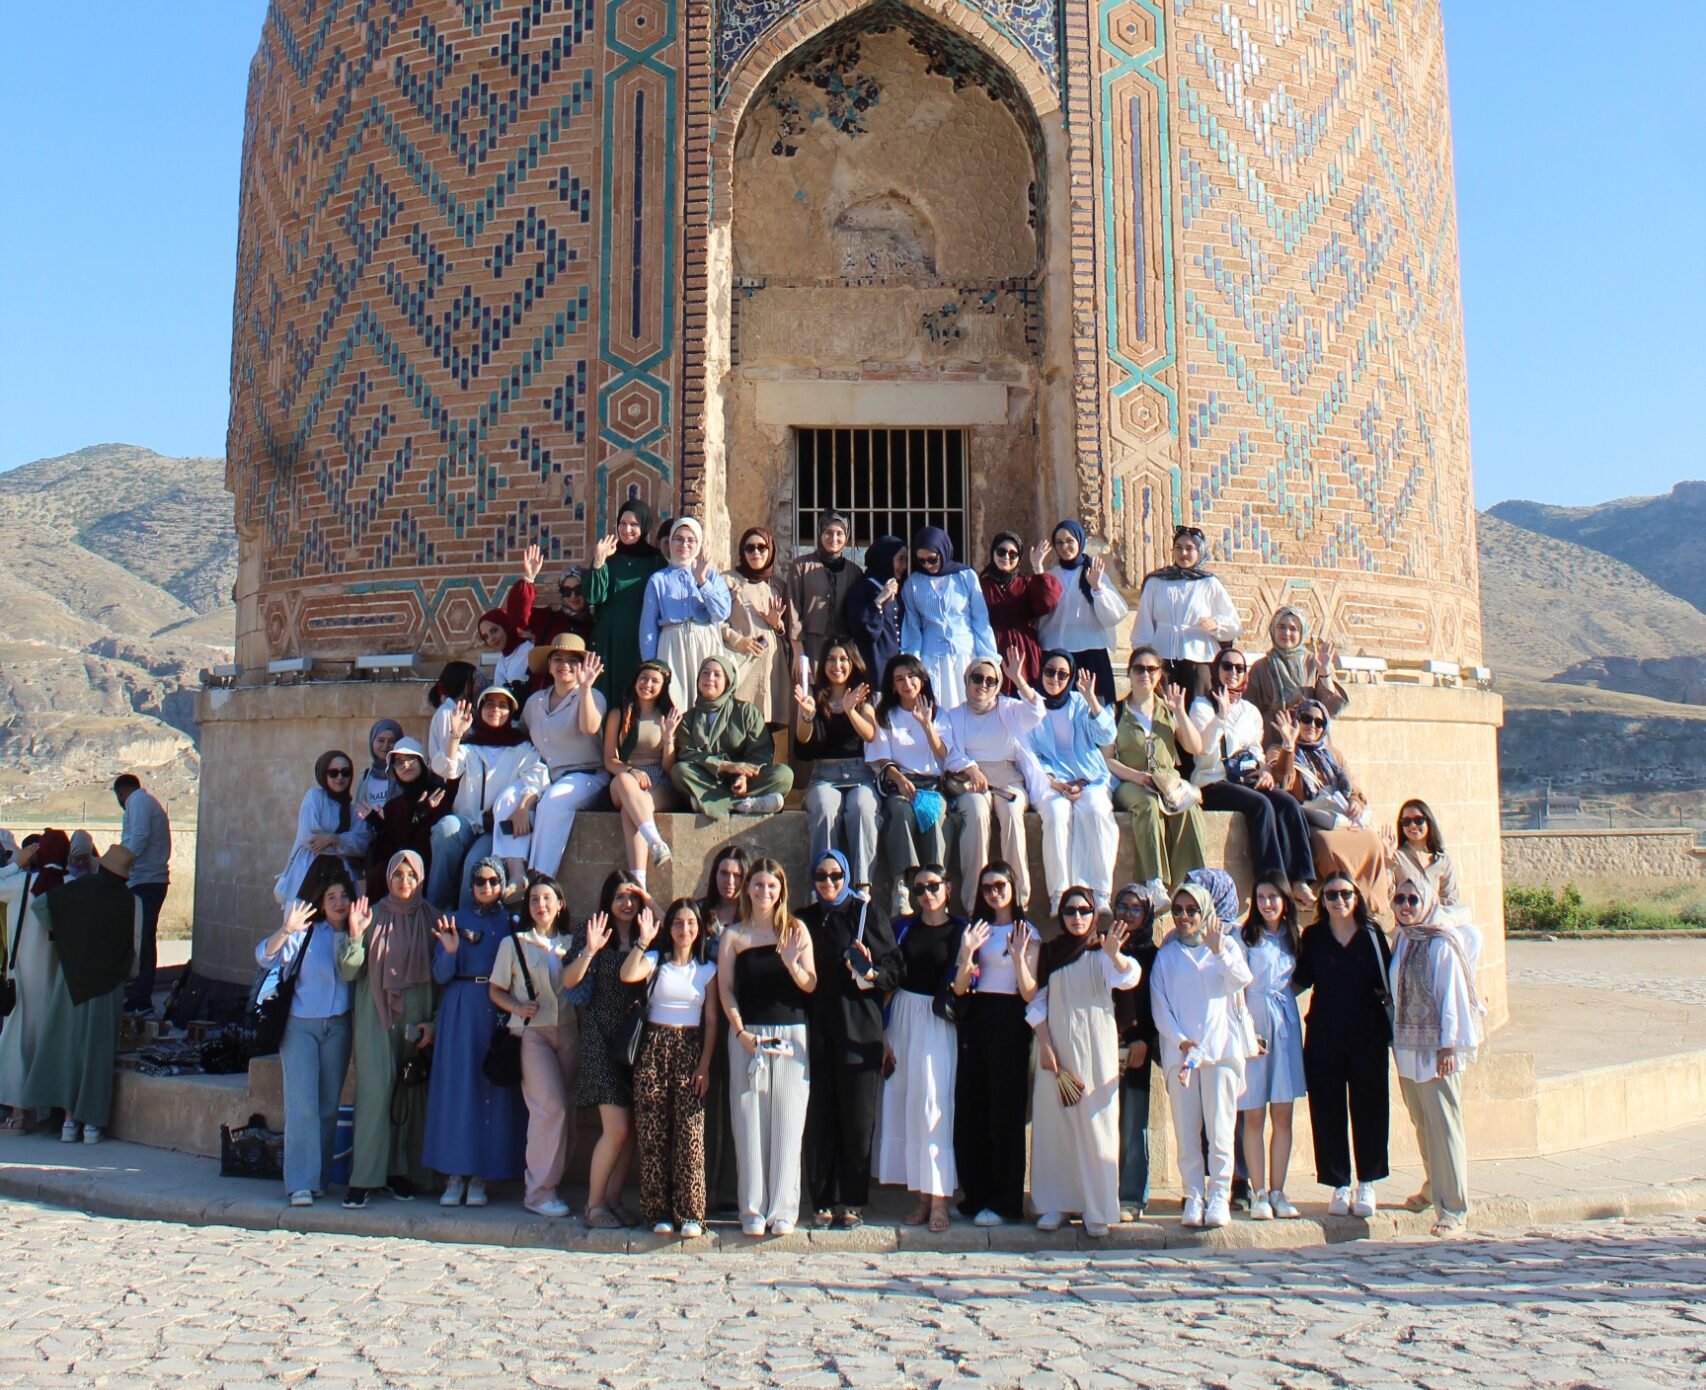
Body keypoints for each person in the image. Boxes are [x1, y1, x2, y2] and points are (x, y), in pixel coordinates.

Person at [1027, 884, 1145, 1237]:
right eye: (1070, 911)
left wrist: (1115, 955)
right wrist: (1045, 1045)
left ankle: (1097, 1208)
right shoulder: (1051, 952)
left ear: (1094, 914)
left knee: (1097, 1128)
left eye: (1084, 911)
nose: (1077, 917)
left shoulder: (1102, 950)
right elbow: (1036, 1002)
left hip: (1096, 1050)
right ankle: (1057, 1203)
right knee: (1055, 1127)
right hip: (1058, 1050)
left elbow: (1129, 977)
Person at [800, 850, 901, 1229]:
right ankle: (822, 1201)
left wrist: (869, 972)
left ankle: (853, 1201)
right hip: (817, 1034)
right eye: (821, 876)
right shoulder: (804, 919)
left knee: (857, 1123)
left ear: (847, 876)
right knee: (820, 1124)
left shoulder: (865, 914)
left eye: (836, 875)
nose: (828, 883)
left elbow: (895, 968)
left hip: (858, 1032)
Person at [717, 858, 817, 1236]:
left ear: (781, 890)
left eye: (771, 886)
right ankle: (753, 1210)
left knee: (787, 1123)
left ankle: (784, 1210)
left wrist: (791, 963)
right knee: (749, 1123)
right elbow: (726, 989)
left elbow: (810, 984)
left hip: (791, 1035)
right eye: (758, 884)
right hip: (748, 1036)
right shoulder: (734, 935)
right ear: (748, 888)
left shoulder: (795, 930)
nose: (764, 892)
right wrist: (739, 1030)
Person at [18, 844, 142, 1144]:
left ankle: (69, 1120)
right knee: (97, 1052)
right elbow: (134, 944)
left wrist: (66, 938)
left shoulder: (79, 888)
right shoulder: (130, 901)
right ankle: (92, 1125)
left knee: (68, 1048)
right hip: (108, 984)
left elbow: (40, 906)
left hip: (72, 978)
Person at [1149, 879, 1254, 1229]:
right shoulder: (1167, 955)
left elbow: (1241, 979)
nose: (1184, 916)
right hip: (1183, 1056)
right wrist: (1182, 1042)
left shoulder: (1223, 946)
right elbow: (1161, 1006)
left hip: (1220, 1052)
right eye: (1178, 910)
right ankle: (1193, 1194)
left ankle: (1219, 1195)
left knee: (1221, 1131)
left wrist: (1219, 950)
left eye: (1192, 910)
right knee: (1187, 1132)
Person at [335, 850, 436, 1208]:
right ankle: (363, 1179)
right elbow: (350, 971)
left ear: (420, 879)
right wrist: (355, 935)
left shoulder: (432, 918)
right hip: (376, 1017)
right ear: (388, 879)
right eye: (397, 875)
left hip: (417, 1016)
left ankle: (400, 1173)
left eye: (411, 876)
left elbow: (442, 976)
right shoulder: (372, 916)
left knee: (410, 1094)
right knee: (376, 1095)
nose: (404, 882)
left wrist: (434, 1023)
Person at [425, 857, 527, 1209]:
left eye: (493, 881)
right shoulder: (455, 920)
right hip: (461, 1008)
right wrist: (450, 952)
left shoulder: (512, 923)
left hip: (498, 1008)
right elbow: (440, 974)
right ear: (471, 886)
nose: (486, 887)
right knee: (459, 1089)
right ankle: (455, 1173)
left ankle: (482, 1174)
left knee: (492, 1089)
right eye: (480, 881)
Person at [255, 858, 357, 1205]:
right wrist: (286, 929)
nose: (339, 903)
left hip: (338, 1027)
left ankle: (319, 1179)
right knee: (303, 1106)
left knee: (328, 1106)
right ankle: (299, 1182)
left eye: (344, 896)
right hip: (300, 1026)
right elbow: (264, 956)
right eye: (331, 897)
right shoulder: (306, 932)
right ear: (321, 901)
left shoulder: (355, 931)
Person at [1292, 871, 1393, 1219]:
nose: (1339, 901)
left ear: (1356, 897)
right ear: (1322, 900)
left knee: (1371, 1107)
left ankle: (1368, 1181)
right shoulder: (1314, 936)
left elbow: (1389, 981)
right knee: (1327, 1108)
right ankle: (1339, 1183)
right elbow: (1299, 979)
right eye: (1332, 894)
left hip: (1367, 1034)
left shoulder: (1371, 934)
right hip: (1325, 1033)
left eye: (1346, 894)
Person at [875, 864, 969, 1233]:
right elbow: (887, 979)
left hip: (937, 1019)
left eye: (933, 886)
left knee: (934, 1104)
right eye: (919, 889)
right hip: (902, 1016)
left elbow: (964, 984)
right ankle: (921, 1198)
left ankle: (940, 1199)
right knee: (908, 1106)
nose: (926, 894)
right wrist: (883, 1033)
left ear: (947, 888)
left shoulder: (961, 931)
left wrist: (968, 955)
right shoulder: (902, 928)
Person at [1390, 873, 1484, 1236]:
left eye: (1413, 899)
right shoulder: (1402, 940)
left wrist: (1449, 1046)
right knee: (1423, 1123)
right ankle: (1433, 1186)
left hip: (1436, 1051)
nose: (1406, 906)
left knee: (1445, 1127)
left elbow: (1452, 998)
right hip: (1408, 1049)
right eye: (1400, 899)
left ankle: (1454, 1207)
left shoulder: (1440, 944)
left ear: (1427, 902)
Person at [621, 897, 720, 1236]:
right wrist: (643, 941)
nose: (684, 929)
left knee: (690, 1132)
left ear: (699, 928)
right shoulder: (655, 961)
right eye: (678, 922)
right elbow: (627, 974)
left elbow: (711, 1020)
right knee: (653, 1131)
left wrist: (704, 1063)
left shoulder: (706, 969)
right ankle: (657, 1211)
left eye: (691, 923)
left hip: (689, 1048)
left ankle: (691, 1212)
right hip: (654, 1047)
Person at [489, 873, 584, 1218]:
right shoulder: (514, 944)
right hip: (532, 1034)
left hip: (568, 1031)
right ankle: (539, 1192)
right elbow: (496, 989)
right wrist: (517, 1007)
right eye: (534, 900)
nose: (540, 905)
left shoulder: (572, 943)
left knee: (567, 1112)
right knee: (550, 1108)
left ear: (559, 904)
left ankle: (553, 1182)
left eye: (547, 898)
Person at [1188, 650, 1318, 903]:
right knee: (1261, 805)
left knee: (1287, 803)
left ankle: (1300, 880)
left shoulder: (1250, 711)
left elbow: (1256, 750)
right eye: (1227, 666)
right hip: (1213, 781)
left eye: (1239, 668)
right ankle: (1272, 882)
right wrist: (1221, 716)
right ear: (1216, 669)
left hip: (1245, 780)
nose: (1233, 673)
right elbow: (1202, 750)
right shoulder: (1202, 706)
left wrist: (1265, 769)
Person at [561, 871, 652, 1227]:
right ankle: (594, 1205)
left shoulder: (648, 933)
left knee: (629, 1132)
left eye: (633, 898)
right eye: (620, 897)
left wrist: (649, 904)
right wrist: (590, 949)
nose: (627, 904)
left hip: (635, 1040)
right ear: (608, 900)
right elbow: (569, 980)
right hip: (600, 1036)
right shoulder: (594, 930)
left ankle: (613, 1201)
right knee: (616, 1129)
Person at [953, 860, 1040, 1226]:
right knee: (974, 1107)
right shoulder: (976, 929)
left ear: (1013, 888)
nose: (994, 893)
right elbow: (960, 987)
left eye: (1000, 886)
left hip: (1011, 1018)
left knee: (1006, 1111)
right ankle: (977, 1195)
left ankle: (1006, 1201)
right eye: (987, 887)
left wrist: (1018, 957)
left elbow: (1030, 991)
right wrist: (967, 952)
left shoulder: (1026, 930)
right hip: (977, 1016)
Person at [940, 652, 1044, 914]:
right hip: (972, 781)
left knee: (1011, 813)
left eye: (990, 680)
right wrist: (971, 768)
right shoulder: (955, 715)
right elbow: (950, 751)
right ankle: (973, 901)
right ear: (967, 680)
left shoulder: (1008, 708)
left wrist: (1018, 679)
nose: (983, 685)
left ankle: (1018, 899)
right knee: (976, 813)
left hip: (1009, 778)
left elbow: (1037, 711)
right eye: (977, 678)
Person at [1270, 700, 1389, 915]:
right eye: (1306, 719)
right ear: (1297, 720)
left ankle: (1368, 904)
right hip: (1311, 819)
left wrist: (1355, 802)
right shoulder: (1279, 750)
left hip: (1341, 817)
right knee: (1327, 844)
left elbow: (1352, 785)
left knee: (1373, 841)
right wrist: (1289, 744)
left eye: (1319, 722)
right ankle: (1341, 898)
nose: (1312, 726)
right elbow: (1283, 781)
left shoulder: (1333, 753)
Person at [1022, 652, 1118, 914]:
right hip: (1051, 781)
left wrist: (1092, 700)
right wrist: (1057, 784)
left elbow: (1106, 735)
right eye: (1050, 671)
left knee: (1096, 810)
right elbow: (1030, 754)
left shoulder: (1080, 702)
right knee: (1056, 814)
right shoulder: (1032, 706)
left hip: (1089, 778)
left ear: (1071, 677)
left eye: (1062, 674)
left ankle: (1099, 892)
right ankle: (1059, 894)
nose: (1055, 678)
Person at [1104, 648, 1208, 885]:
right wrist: (1138, 777)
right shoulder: (1116, 711)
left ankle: (1190, 881)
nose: (1145, 674)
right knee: (1148, 804)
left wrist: (1179, 711)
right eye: (1139, 669)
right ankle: (1154, 880)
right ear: (1129, 673)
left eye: (1151, 669)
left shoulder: (1167, 710)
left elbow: (1195, 747)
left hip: (1167, 782)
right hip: (1131, 782)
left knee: (1189, 809)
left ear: (1159, 674)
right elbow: (1108, 759)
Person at [433, 688, 547, 905]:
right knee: (445, 829)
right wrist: (454, 736)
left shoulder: (522, 747)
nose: (496, 710)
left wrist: (523, 807)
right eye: (490, 704)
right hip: (467, 820)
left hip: (494, 828)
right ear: (480, 709)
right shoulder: (468, 745)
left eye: (502, 705)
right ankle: (435, 907)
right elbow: (445, 769)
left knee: (475, 864)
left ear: (511, 712)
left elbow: (537, 779)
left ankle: (467, 918)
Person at [1236, 878, 1307, 1221]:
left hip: (1285, 1024)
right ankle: (1259, 1191)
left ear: (1284, 900)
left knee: (1283, 1113)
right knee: (1253, 1113)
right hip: (1254, 1023)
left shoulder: (1293, 937)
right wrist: (1247, 1029)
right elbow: (1236, 986)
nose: (1267, 904)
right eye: (1261, 897)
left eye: (1273, 897)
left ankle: (1278, 1190)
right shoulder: (1246, 937)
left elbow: (1299, 978)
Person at [517, 636, 611, 876]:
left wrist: (585, 688)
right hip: (545, 776)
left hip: (586, 776)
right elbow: (520, 735)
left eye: (572, 660)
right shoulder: (534, 702)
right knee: (509, 800)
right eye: (557, 659)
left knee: (553, 802)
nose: (564, 665)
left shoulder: (593, 696)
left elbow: (590, 727)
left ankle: (540, 877)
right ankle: (513, 873)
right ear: (549, 665)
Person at [865, 654, 950, 917]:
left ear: (922, 680)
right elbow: (881, 757)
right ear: (892, 685)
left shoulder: (938, 713)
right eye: (899, 679)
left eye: (911, 677)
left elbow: (943, 754)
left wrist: (926, 725)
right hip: (899, 783)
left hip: (931, 786)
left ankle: (935, 883)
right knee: (899, 812)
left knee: (933, 816)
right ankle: (901, 884)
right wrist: (899, 779)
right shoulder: (885, 715)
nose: (907, 684)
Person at [795, 641, 880, 897]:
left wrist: (850, 710)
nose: (837, 665)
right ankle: (824, 883)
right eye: (831, 659)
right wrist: (807, 715)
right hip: (825, 775)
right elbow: (803, 743)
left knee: (862, 807)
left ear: (852, 663)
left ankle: (863, 886)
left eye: (843, 659)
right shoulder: (814, 696)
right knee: (825, 807)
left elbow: (870, 734)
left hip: (860, 775)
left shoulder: (863, 696)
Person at [0, 832, 69, 1131]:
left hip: (22, 979)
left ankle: (18, 1115)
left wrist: (16, 863)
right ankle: (50, 1113)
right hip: (57, 982)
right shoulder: (69, 885)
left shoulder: (23, 884)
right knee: (49, 1045)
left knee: (18, 1046)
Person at [669, 656, 793, 818]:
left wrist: (743, 776)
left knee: (784, 775)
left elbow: (760, 751)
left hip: (744, 783)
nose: (710, 678)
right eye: (705, 673)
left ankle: (711, 803)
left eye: (717, 675)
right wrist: (725, 766)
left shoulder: (746, 711)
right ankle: (744, 804)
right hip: (708, 780)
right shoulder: (689, 718)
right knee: (680, 771)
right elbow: (688, 754)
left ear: (728, 682)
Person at [1132, 524, 1241, 699]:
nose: (1183, 553)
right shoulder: (1156, 582)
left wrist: (1215, 625)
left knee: (1199, 708)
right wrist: (1143, 656)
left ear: (1200, 551)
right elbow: (1144, 622)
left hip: (1199, 660)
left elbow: (1233, 624)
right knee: (1163, 708)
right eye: (1178, 547)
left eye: (1189, 548)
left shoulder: (1209, 583)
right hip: (1162, 660)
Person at [698, 845, 749, 1214]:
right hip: (701, 1021)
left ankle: (731, 1189)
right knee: (703, 1106)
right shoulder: (701, 915)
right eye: (723, 873)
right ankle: (698, 1185)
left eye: (737, 875)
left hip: (741, 1020)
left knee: (737, 1105)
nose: (729, 881)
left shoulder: (754, 916)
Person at [1110, 881, 1165, 1221]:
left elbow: (1158, 1002)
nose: (1128, 915)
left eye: (1136, 909)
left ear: (1147, 915)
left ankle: (1131, 1196)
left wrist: (1144, 1038)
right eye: (1122, 907)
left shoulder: (1155, 956)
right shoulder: (1102, 948)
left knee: (1133, 1123)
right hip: (1102, 1045)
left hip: (1138, 1048)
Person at [603, 659, 685, 886]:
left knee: (631, 810)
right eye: (644, 678)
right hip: (625, 778)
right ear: (636, 681)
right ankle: (655, 841)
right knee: (624, 781)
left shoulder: (668, 716)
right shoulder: (618, 715)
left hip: (658, 780)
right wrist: (630, 770)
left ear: (663, 686)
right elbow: (609, 760)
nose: (647, 684)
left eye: (654, 681)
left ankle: (639, 881)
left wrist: (668, 740)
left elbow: (669, 768)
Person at [639, 517, 733, 711]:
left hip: (705, 642)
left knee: (708, 697)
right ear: (670, 541)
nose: (684, 545)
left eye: (691, 540)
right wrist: (650, 664)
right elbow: (648, 627)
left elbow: (721, 613)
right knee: (675, 702)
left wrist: (702, 581)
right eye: (679, 539)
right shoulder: (658, 580)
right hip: (672, 645)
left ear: (699, 544)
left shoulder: (711, 575)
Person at [900, 525, 996, 708]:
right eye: (921, 561)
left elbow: (980, 620)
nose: (927, 566)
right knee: (937, 709)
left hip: (965, 655)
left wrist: (988, 659)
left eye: (932, 559)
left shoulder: (966, 576)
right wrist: (912, 663)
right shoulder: (912, 584)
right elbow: (912, 627)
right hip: (931, 659)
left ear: (943, 552)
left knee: (969, 707)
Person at [1036, 520, 1128, 706]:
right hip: (1056, 653)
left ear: (1080, 541)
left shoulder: (1094, 572)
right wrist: (1038, 569)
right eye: (1059, 542)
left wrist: (1097, 588)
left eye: (1070, 541)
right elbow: (1039, 610)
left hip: (1090, 653)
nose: (1065, 547)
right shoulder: (1051, 576)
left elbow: (1115, 615)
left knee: (1094, 707)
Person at [584, 497, 667, 699]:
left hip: (640, 637)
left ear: (644, 526)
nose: (626, 529)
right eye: (622, 523)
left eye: (634, 524)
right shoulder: (609, 557)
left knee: (634, 693)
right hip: (608, 637)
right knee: (604, 694)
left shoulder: (656, 560)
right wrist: (599, 560)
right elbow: (593, 596)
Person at [274, 752, 373, 909]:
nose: (340, 777)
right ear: (323, 774)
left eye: (345, 772)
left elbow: (362, 844)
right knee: (301, 921)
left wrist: (333, 839)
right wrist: (343, 846)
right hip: (307, 877)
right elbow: (310, 839)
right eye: (333, 773)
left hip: (341, 881)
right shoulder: (314, 797)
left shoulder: (353, 810)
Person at [365, 739, 453, 904]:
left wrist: (423, 812)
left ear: (421, 762)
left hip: (432, 875)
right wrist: (379, 823)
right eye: (399, 762)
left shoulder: (438, 795)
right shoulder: (394, 806)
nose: (405, 765)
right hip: (401, 875)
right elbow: (398, 841)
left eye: (410, 759)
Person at [113, 773, 171, 1016]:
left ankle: (142, 999)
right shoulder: (144, 802)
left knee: (144, 939)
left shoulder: (137, 801)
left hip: (147, 880)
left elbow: (139, 837)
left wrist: (117, 863)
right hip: (145, 879)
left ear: (121, 792)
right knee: (141, 938)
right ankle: (138, 994)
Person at [721, 526, 791, 725]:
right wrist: (738, 640)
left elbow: (790, 628)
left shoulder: (778, 585)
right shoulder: (728, 580)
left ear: (771, 550)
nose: (756, 552)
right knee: (740, 721)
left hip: (772, 669)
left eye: (761, 547)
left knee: (768, 725)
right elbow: (714, 621)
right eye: (749, 548)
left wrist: (778, 625)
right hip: (742, 663)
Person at [786, 510, 864, 682]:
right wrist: (798, 650)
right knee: (808, 692)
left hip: (842, 649)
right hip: (809, 645)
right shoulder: (801, 566)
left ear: (847, 536)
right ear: (820, 533)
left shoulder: (854, 572)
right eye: (828, 532)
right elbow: (793, 608)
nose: (833, 538)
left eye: (839, 533)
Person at [1245, 606, 1346, 737]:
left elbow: (1334, 709)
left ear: (1302, 632)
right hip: (1273, 738)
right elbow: (1248, 711)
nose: (1286, 633)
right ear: (1273, 629)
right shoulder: (1260, 667)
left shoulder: (1315, 662)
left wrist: (1324, 673)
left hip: (1309, 738)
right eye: (1281, 627)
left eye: (1293, 629)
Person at [980, 532, 1061, 689]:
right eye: (1001, 552)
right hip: (991, 646)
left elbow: (1047, 603)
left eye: (1013, 554)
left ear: (1019, 558)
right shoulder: (981, 585)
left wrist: (1038, 567)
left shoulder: (1026, 584)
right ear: (993, 552)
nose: (1006, 557)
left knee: (1025, 694)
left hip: (1023, 650)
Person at [1382, 800, 1463, 917]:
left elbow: (1451, 900)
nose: (1412, 825)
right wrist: (1387, 858)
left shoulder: (1442, 860)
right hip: (1405, 923)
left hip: (1437, 922)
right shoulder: (1396, 857)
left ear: (1428, 821)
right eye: (1406, 821)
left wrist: (1426, 906)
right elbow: (1386, 895)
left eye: (1418, 820)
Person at [844, 535, 906, 686]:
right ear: (886, 559)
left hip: (896, 669)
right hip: (874, 667)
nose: (904, 565)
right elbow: (865, 630)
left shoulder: (900, 588)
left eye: (906, 560)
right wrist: (879, 601)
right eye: (900, 559)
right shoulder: (862, 589)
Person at [508, 543, 595, 650]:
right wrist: (529, 578)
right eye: (567, 591)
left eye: (578, 590)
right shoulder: (549, 619)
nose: (573, 596)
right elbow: (519, 616)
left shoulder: (597, 622)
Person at [425, 661, 481, 766]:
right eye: (473, 681)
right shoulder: (447, 713)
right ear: (461, 683)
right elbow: (447, 755)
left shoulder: (461, 711)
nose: (477, 685)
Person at [352, 720, 403, 830]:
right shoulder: (366, 776)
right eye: (380, 740)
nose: (385, 745)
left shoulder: (404, 774)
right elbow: (358, 812)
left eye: (391, 741)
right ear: (372, 742)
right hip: (369, 836)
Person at [476, 603, 534, 699]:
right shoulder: (502, 661)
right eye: (485, 636)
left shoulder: (530, 651)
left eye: (494, 631)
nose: (491, 639)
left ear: (506, 625)